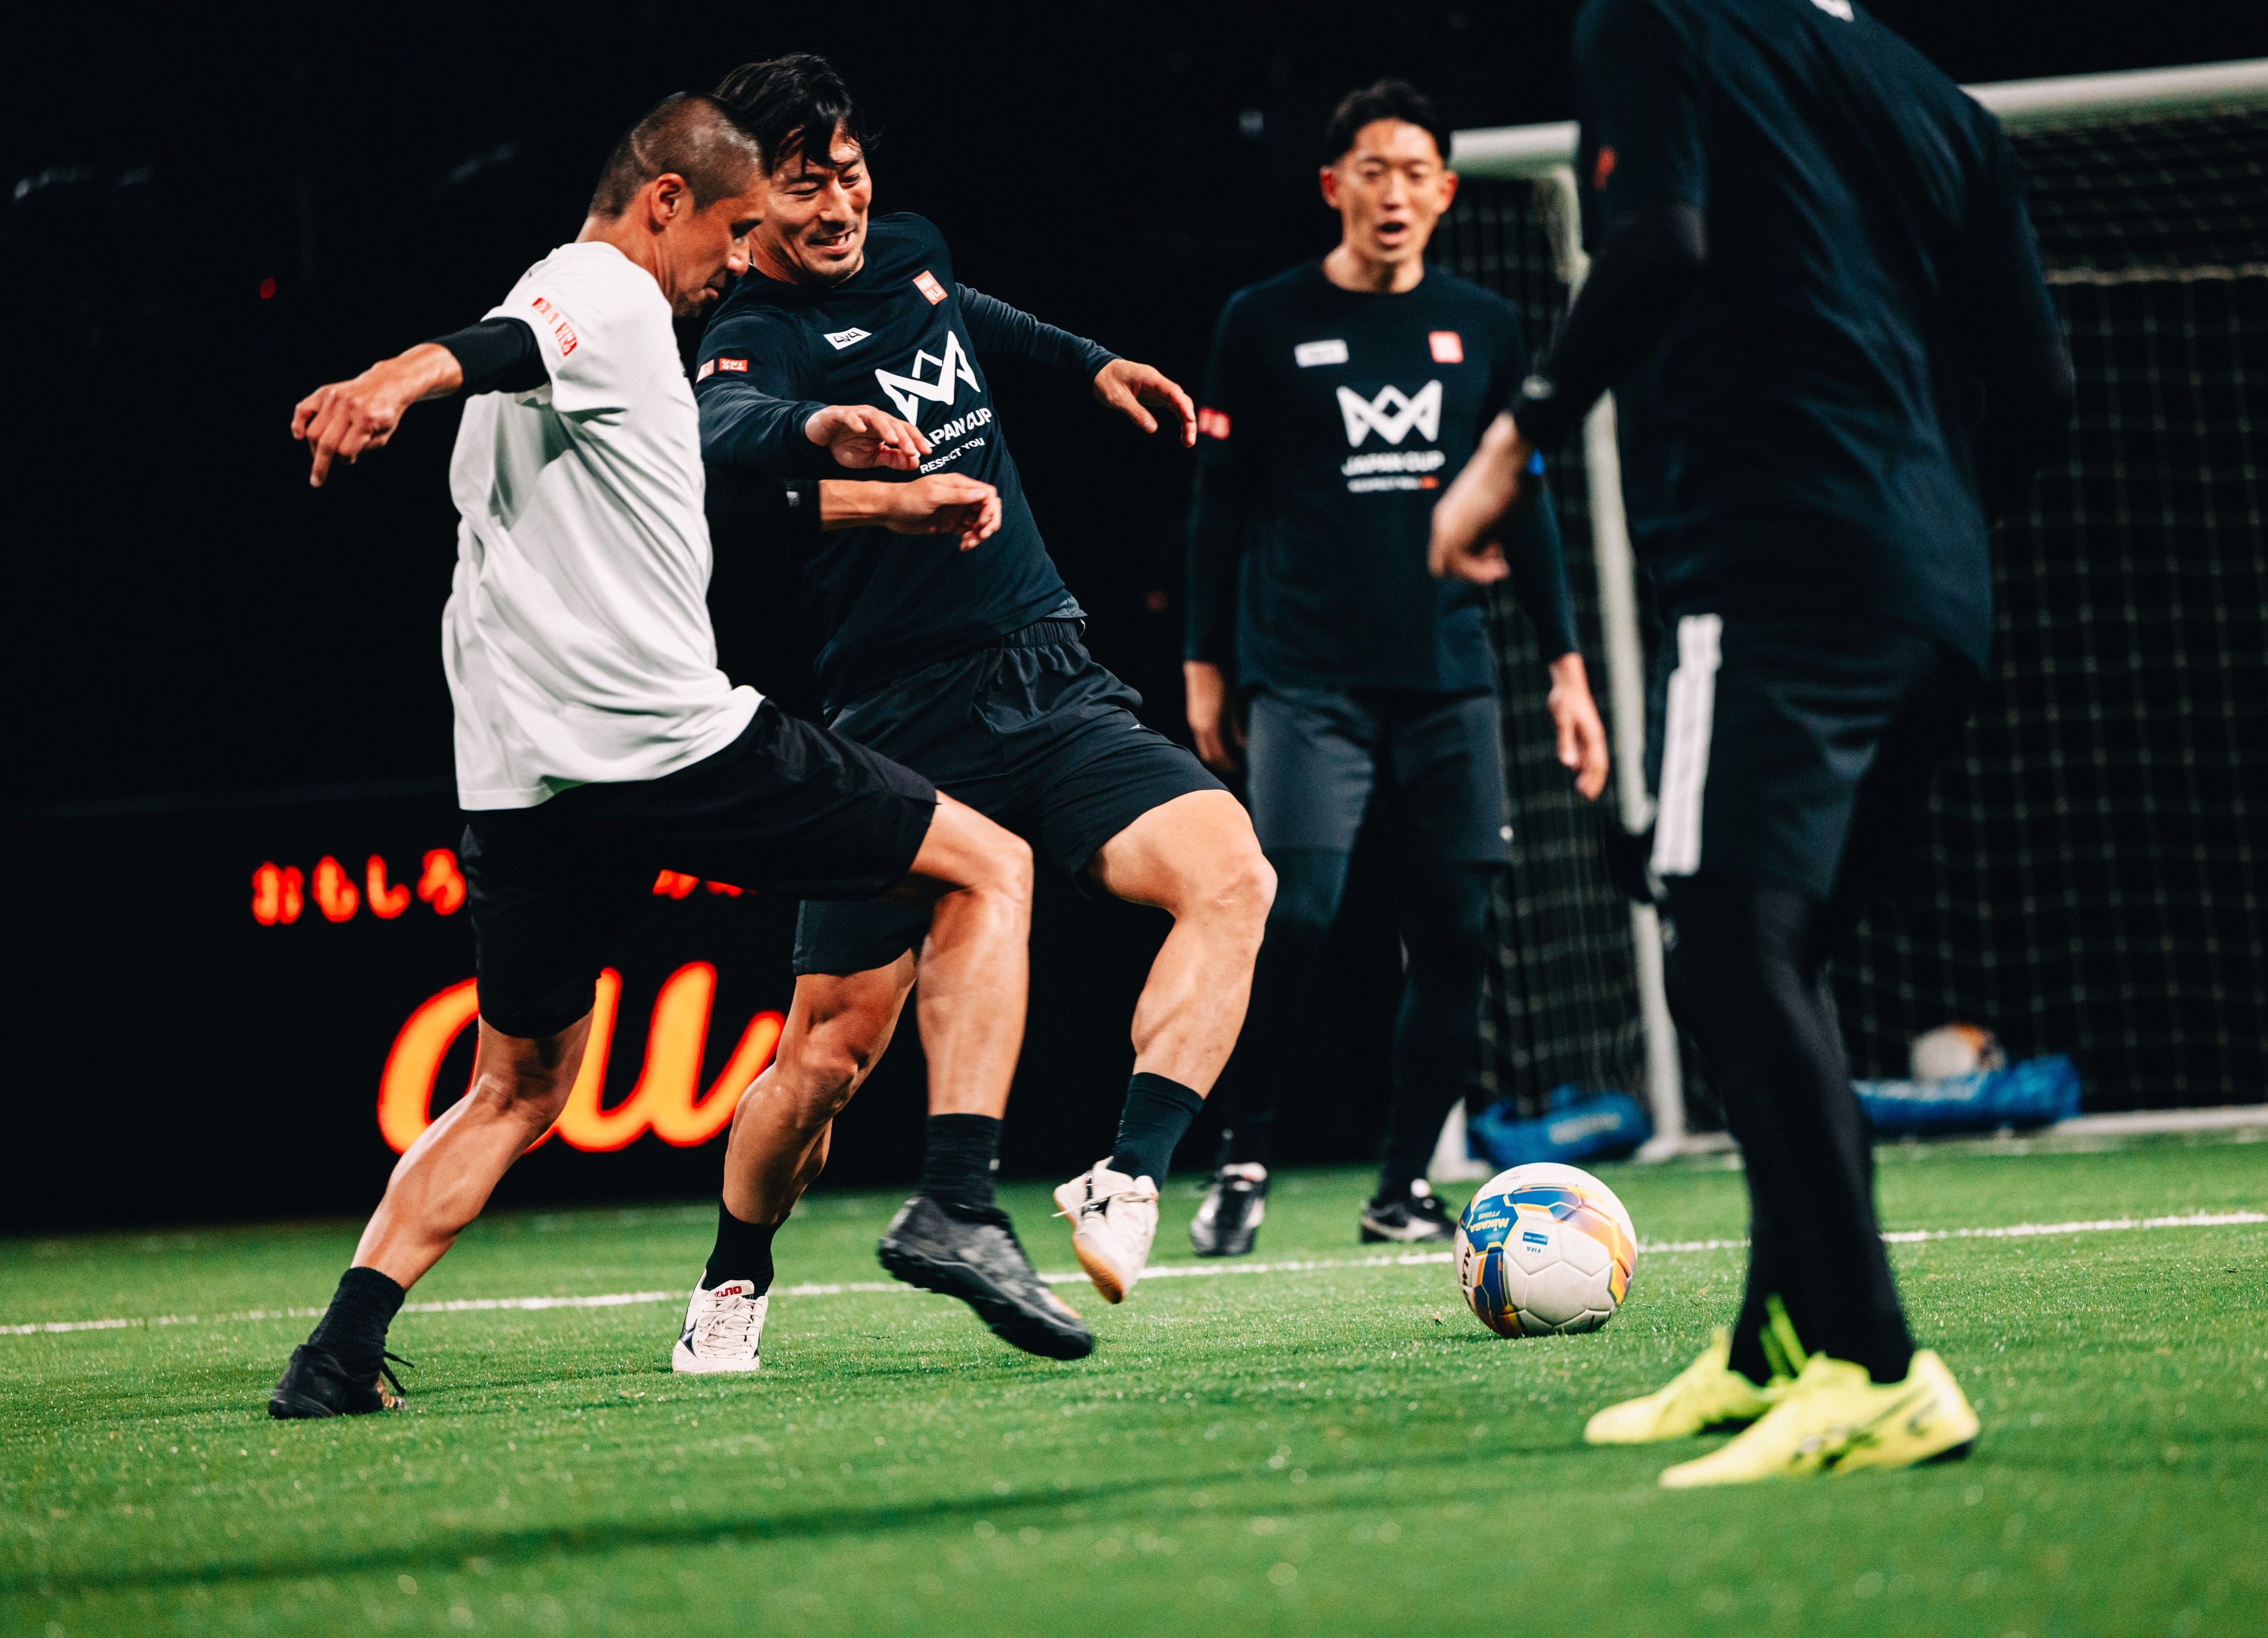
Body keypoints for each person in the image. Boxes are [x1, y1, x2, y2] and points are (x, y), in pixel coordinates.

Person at [270, 93, 1086, 1419]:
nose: (741, 260)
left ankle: (338, 1352)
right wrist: (389, 381)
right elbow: (490, 350)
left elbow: (694, 491)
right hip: (667, 742)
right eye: (735, 227)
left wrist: (882, 496)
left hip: (525, 782)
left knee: (515, 1088)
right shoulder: (602, 291)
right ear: (665, 202)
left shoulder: (591, 330)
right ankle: (955, 1198)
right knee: (991, 866)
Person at [1431, 0, 2073, 1484]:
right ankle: (1777, 1341)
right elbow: (2041, 390)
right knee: (1771, 957)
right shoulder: (1940, 103)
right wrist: (1929, 529)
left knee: (1723, 951)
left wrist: (1513, 440)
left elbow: (1661, 245)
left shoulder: (1657, 22)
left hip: (1776, 563)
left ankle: (1877, 1366)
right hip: (1938, 588)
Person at [667, 55, 1276, 1369]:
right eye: (802, 185)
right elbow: (721, 427)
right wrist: (821, 427)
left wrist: (1091, 362)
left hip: (1048, 673)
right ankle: (735, 1269)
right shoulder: (752, 324)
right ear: (748, 201)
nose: (839, 205)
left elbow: (964, 309)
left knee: (1234, 876)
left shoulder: (911, 248)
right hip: (899, 722)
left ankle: (1127, 1175)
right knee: (829, 1055)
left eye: (847, 174)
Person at [1180, 81, 1611, 1257]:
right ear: (1334, 186)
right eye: (1374, 170)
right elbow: (1219, 505)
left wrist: (1567, 667)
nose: (1395, 193)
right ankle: (1244, 1157)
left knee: (1459, 929)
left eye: (1417, 173)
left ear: (1446, 193)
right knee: (1300, 913)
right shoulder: (1262, 321)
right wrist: (1205, 663)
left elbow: (1525, 505)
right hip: (1305, 679)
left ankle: (1404, 1184)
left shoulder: (1484, 326)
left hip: (1448, 678)